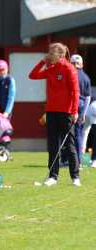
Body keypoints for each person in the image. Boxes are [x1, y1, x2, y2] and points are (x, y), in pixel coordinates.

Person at [29, 42, 80, 187]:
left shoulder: (69, 68)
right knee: (53, 146)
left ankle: (75, 177)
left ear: (61, 55)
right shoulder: (50, 69)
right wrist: (42, 62)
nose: (49, 55)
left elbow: (75, 92)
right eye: (49, 53)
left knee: (69, 145)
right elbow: (32, 76)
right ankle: (53, 177)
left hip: (66, 112)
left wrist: (75, 111)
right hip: (51, 111)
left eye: (52, 53)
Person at [70, 54, 91, 166]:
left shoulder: (71, 75)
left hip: (72, 106)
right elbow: (88, 97)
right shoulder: (86, 77)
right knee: (79, 134)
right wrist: (83, 113)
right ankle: (78, 160)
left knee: (69, 135)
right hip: (82, 107)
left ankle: (71, 160)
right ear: (81, 64)